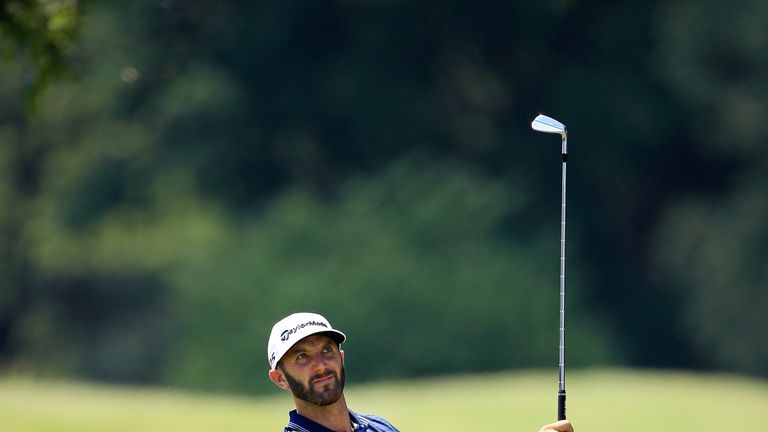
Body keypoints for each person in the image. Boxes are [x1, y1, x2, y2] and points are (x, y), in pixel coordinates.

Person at [268, 312, 574, 432]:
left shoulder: (377, 427)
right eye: (302, 357)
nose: (320, 365)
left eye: (326, 351)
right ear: (280, 378)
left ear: (341, 357)